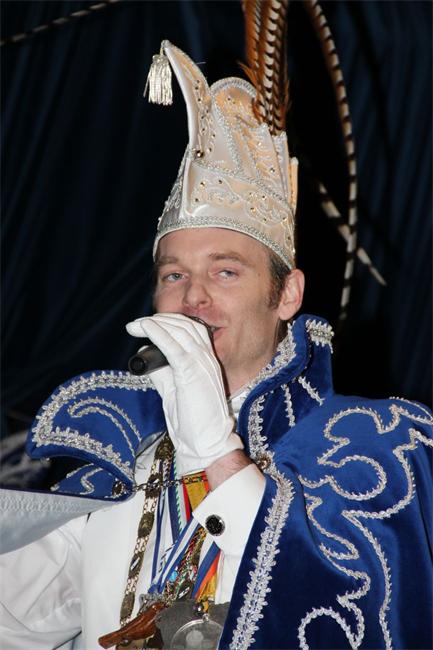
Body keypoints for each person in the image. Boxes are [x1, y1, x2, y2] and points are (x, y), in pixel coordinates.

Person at [1, 40, 432, 650]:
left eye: (225, 271)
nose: (193, 297)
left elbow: (359, 612)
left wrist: (215, 454)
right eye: (174, 275)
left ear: (287, 294)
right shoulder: (120, 470)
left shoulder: (379, 447)